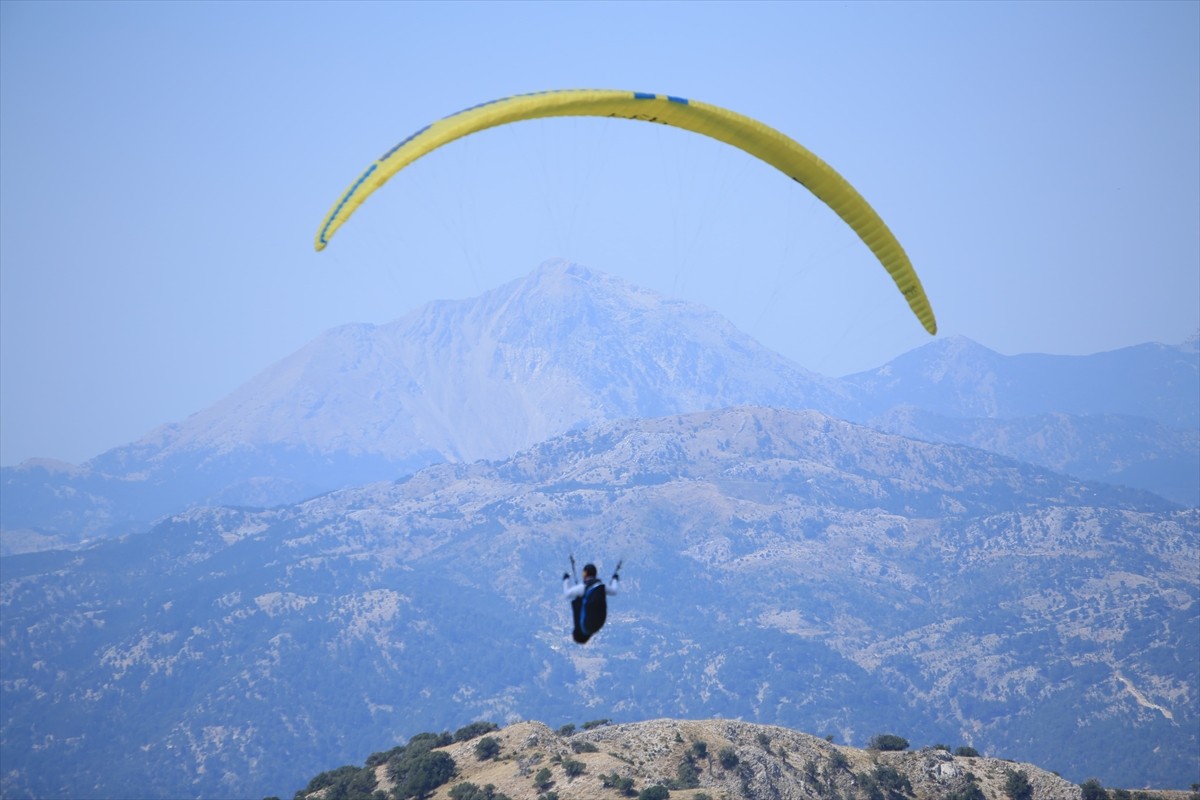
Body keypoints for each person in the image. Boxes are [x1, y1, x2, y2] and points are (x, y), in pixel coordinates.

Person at [562, 562, 620, 644]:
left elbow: (567, 594)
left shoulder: (582, 587)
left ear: (584, 574)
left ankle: (582, 635)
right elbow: (614, 591)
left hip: (586, 625)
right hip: (599, 623)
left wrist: (566, 579)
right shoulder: (602, 586)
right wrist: (615, 579)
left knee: (578, 600)